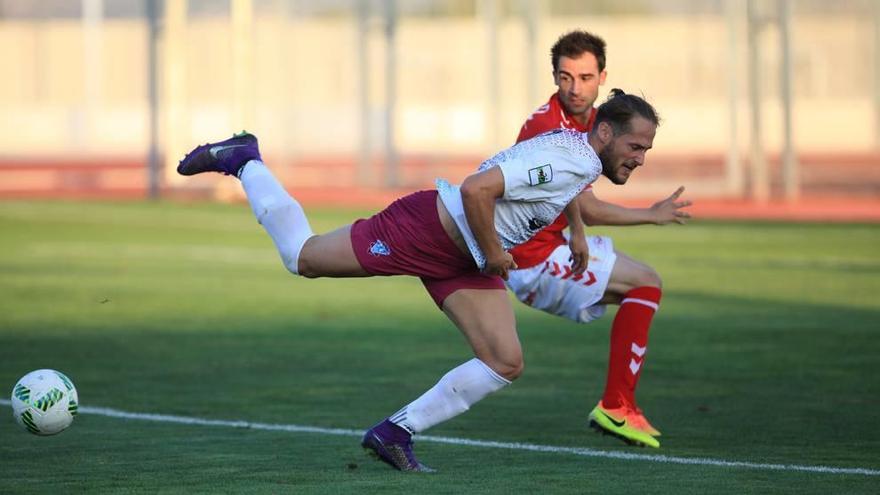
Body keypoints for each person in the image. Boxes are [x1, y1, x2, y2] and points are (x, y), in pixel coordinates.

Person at [177, 89, 660, 472]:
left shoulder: (580, 156)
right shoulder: (573, 157)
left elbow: (555, 188)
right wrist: (496, 254)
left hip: (462, 258)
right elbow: (477, 188)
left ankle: (394, 433)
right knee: (303, 258)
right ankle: (245, 160)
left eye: (646, 149)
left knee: (505, 361)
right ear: (603, 132)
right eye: (635, 146)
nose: (640, 158)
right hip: (425, 231)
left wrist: (568, 230)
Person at [509, 30, 692, 449]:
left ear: (602, 77)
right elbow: (585, 204)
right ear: (554, 77)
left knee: (644, 285)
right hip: (530, 258)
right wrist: (649, 215)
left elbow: (567, 191)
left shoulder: (596, 123)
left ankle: (621, 404)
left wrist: (575, 229)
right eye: (566, 77)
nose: (575, 88)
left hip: (550, 247)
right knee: (644, 283)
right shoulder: (544, 125)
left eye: (586, 77)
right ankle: (616, 405)